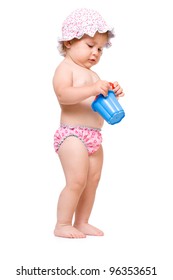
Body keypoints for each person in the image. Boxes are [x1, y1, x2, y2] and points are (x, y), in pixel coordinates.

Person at [53, 8, 124, 238]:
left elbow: (96, 100)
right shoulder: (65, 69)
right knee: (76, 181)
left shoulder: (93, 75)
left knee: (92, 181)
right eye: (90, 45)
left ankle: (82, 221)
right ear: (70, 42)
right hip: (72, 135)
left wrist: (111, 93)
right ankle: (63, 224)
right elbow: (64, 96)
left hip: (94, 136)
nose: (96, 53)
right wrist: (94, 88)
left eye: (100, 49)